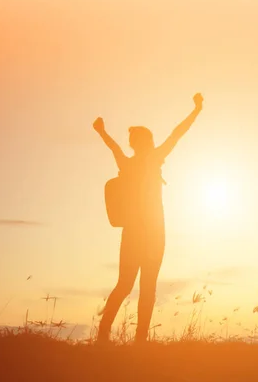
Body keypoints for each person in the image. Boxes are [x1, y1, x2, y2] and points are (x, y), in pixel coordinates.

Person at [92, 93, 204, 343]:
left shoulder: (126, 163)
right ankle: (140, 339)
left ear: (134, 143)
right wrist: (196, 110)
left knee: (124, 284)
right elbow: (177, 133)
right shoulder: (155, 158)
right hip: (153, 232)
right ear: (149, 142)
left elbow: (114, 147)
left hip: (133, 232)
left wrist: (101, 131)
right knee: (147, 287)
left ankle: (103, 334)